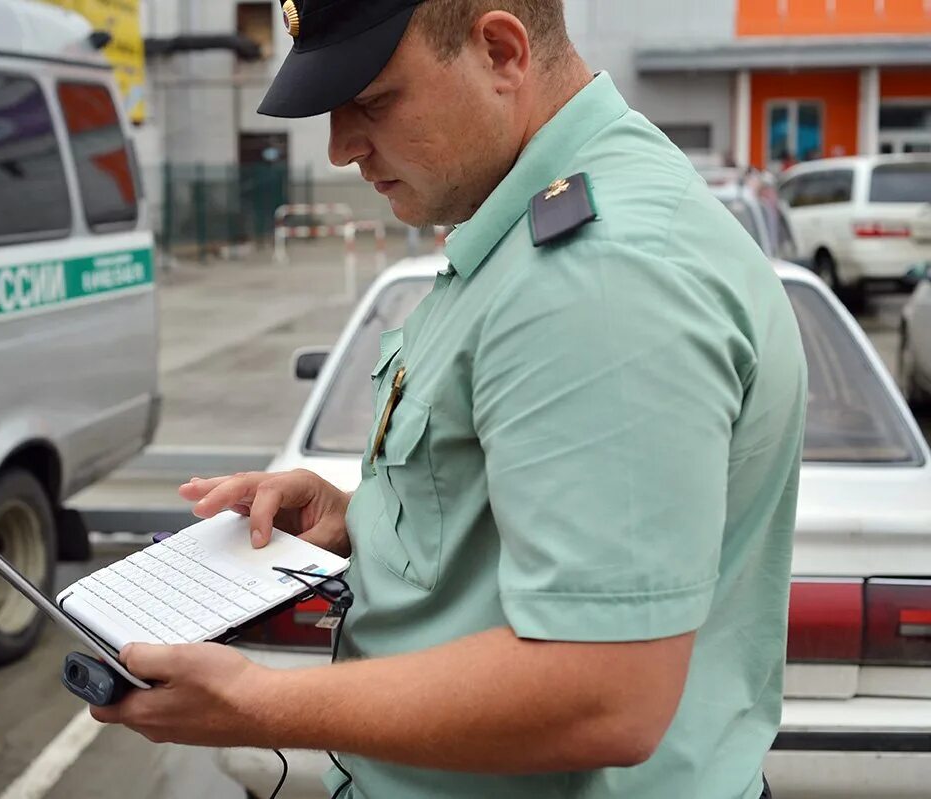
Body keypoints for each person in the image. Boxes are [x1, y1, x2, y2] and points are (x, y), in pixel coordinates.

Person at [90, 2, 807, 797]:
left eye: (372, 101)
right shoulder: (535, 219)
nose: (339, 149)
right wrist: (357, 513)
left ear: (501, 53)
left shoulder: (596, 277)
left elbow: (605, 695)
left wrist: (260, 703)